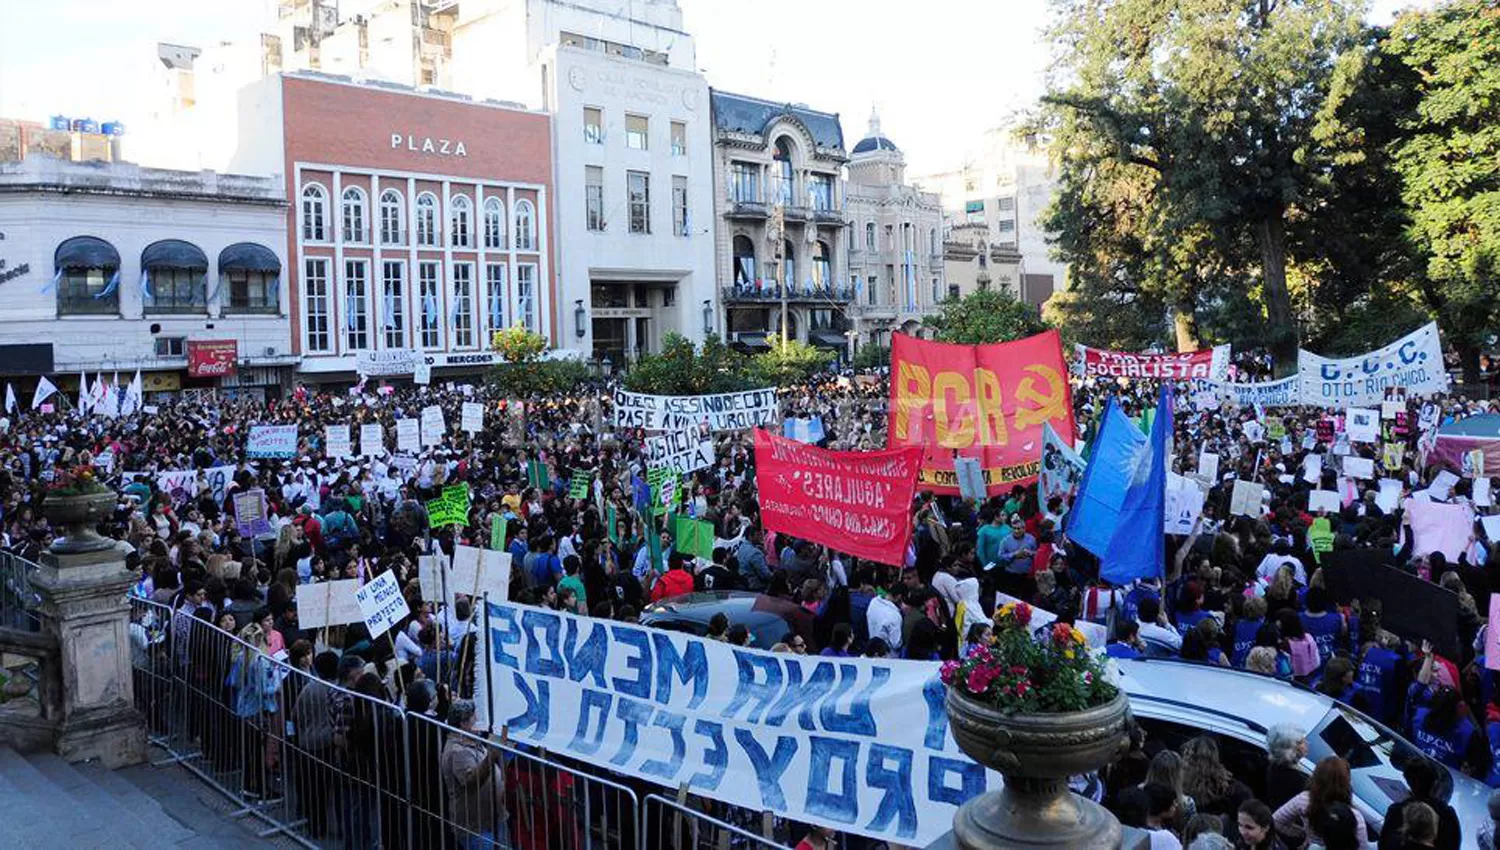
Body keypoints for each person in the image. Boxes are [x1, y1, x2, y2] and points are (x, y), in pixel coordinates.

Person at [439, 699, 509, 849]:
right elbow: (472, 782)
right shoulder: (457, 751)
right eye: (475, 718)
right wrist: (492, 756)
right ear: (464, 723)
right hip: (476, 828)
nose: (479, 721)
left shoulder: (472, 742)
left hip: (492, 819)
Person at [1273, 756, 1372, 850]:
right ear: (1345, 783)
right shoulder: (1354, 816)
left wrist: (1304, 834)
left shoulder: (1304, 800)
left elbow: (1276, 820)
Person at [1377, 759, 1460, 850]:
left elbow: (1383, 845)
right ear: (1435, 784)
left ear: (1408, 782)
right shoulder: (1447, 815)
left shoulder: (1397, 811)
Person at [1265, 724, 1309, 811]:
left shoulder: (1274, 766)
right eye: (1300, 742)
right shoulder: (1296, 780)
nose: (1306, 743)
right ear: (1288, 749)